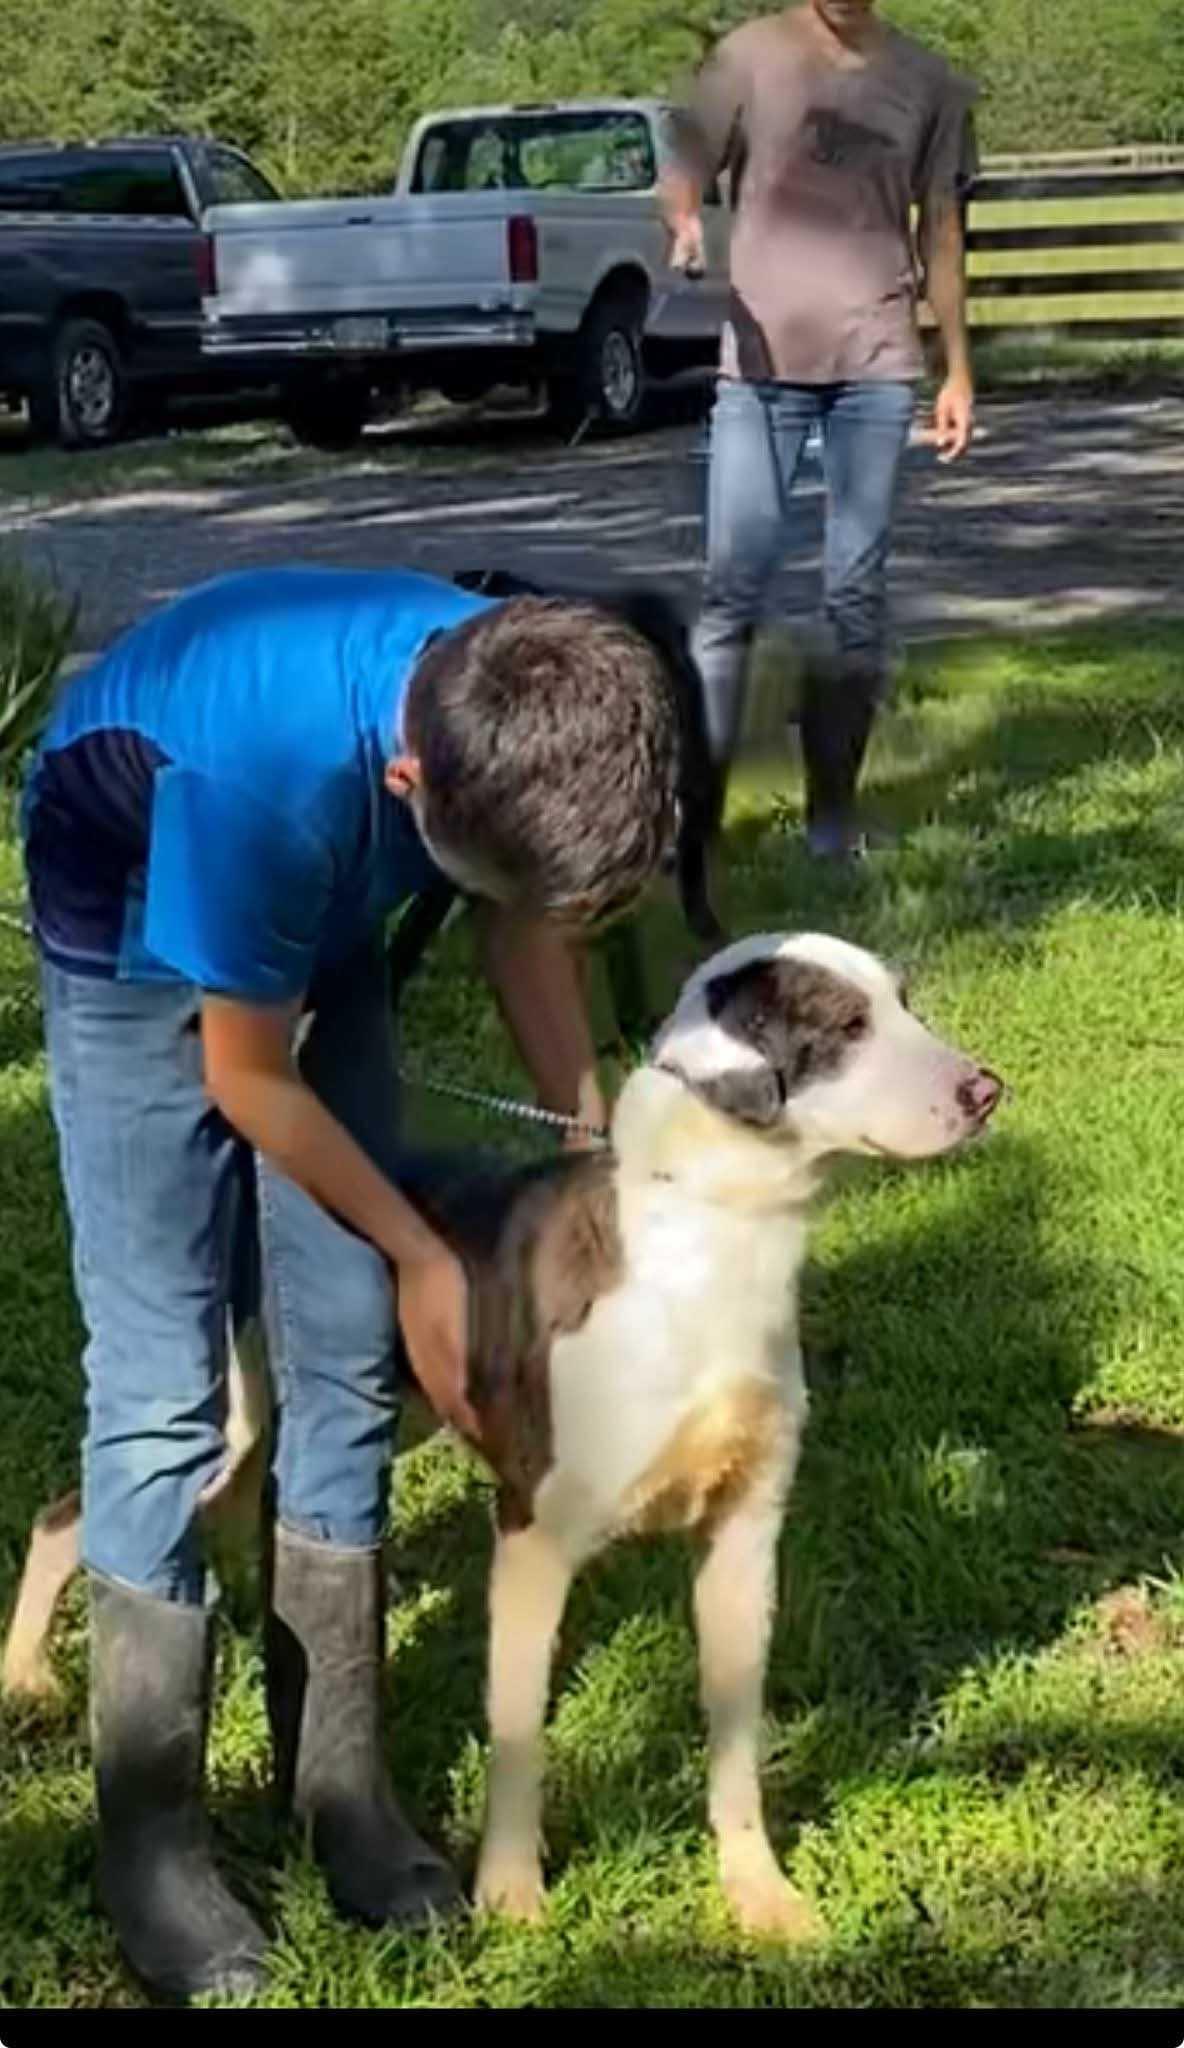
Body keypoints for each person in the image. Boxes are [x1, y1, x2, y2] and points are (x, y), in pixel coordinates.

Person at [21, 564, 682, 2002]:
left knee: (337, 1356)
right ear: (409, 776)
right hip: (134, 897)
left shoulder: (510, 700)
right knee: (164, 1389)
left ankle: (341, 1788)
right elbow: (247, 1079)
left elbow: (525, 916)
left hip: (311, 893)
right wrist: (427, 1250)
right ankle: (152, 1843)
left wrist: (590, 1151)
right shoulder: (266, 781)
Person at [663, 0, 979, 857]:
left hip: (876, 364)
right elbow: (685, 162)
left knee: (853, 594)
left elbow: (943, 228)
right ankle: (698, 819)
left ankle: (831, 820)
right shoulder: (749, 55)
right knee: (734, 587)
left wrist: (957, 367)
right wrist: (686, 217)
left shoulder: (929, 82)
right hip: (760, 369)